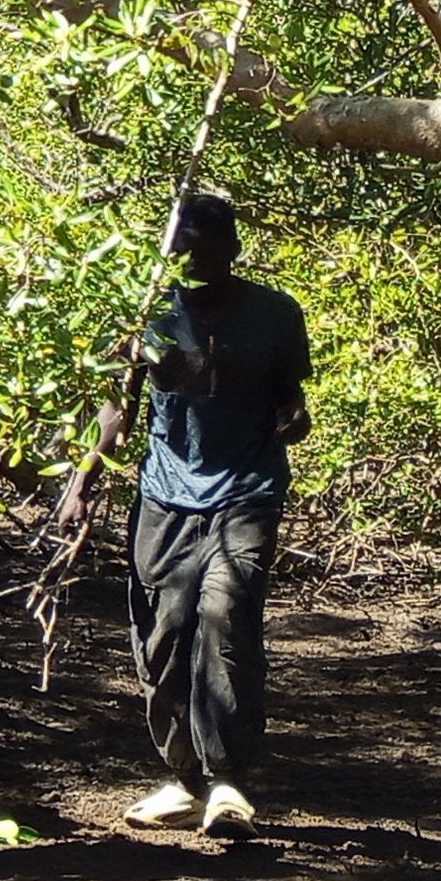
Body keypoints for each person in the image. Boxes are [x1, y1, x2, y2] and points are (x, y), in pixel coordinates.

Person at [127, 191, 312, 835]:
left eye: (208, 242)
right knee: (165, 631)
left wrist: (293, 418)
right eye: (183, 244)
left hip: (248, 489)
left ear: (233, 247)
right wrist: (84, 476)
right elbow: (117, 405)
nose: (195, 255)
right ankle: (181, 778)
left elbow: (290, 396)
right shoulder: (149, 311)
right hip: (165, 494)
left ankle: (229, 780)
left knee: (225, 619)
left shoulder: (275, 314)